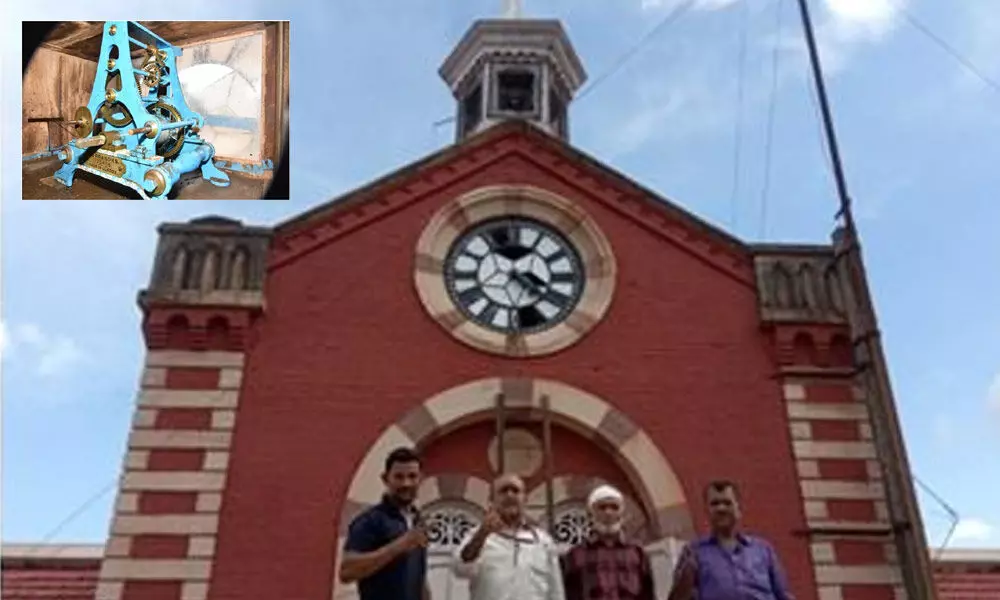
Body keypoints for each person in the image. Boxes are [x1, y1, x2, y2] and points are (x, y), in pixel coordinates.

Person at [667, 480, 794, 600]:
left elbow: (783, 595)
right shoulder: (694, 552)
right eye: (714, 503)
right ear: (707, 510)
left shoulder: (763, 550)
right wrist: (685, 578)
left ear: (739, 508)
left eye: (727, 503)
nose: (721, 508)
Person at [339, 447, 431, 600]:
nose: (406, 483)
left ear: (421, 478)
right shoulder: (370, 520)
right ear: (385, 479)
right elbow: (347, 571)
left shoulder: (418, 521)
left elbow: (419, 576)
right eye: (399, 477)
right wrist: (399, 546)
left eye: (412, 476)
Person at [454, 473, 565, 600]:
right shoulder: (478, 536)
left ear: (525, 499)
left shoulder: (543, 541)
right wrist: (482, 535)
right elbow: (460, 568)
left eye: (515, 491)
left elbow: (556, 591)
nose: (510, 495)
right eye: (503, 491)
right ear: (491, 500)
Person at [561, 484, 656, 600]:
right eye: (602, 507)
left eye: (614, 507)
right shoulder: (575, 555)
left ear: (622, 514)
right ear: (591, 514)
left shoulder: (638, 553)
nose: (608, 513)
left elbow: (648, 595)